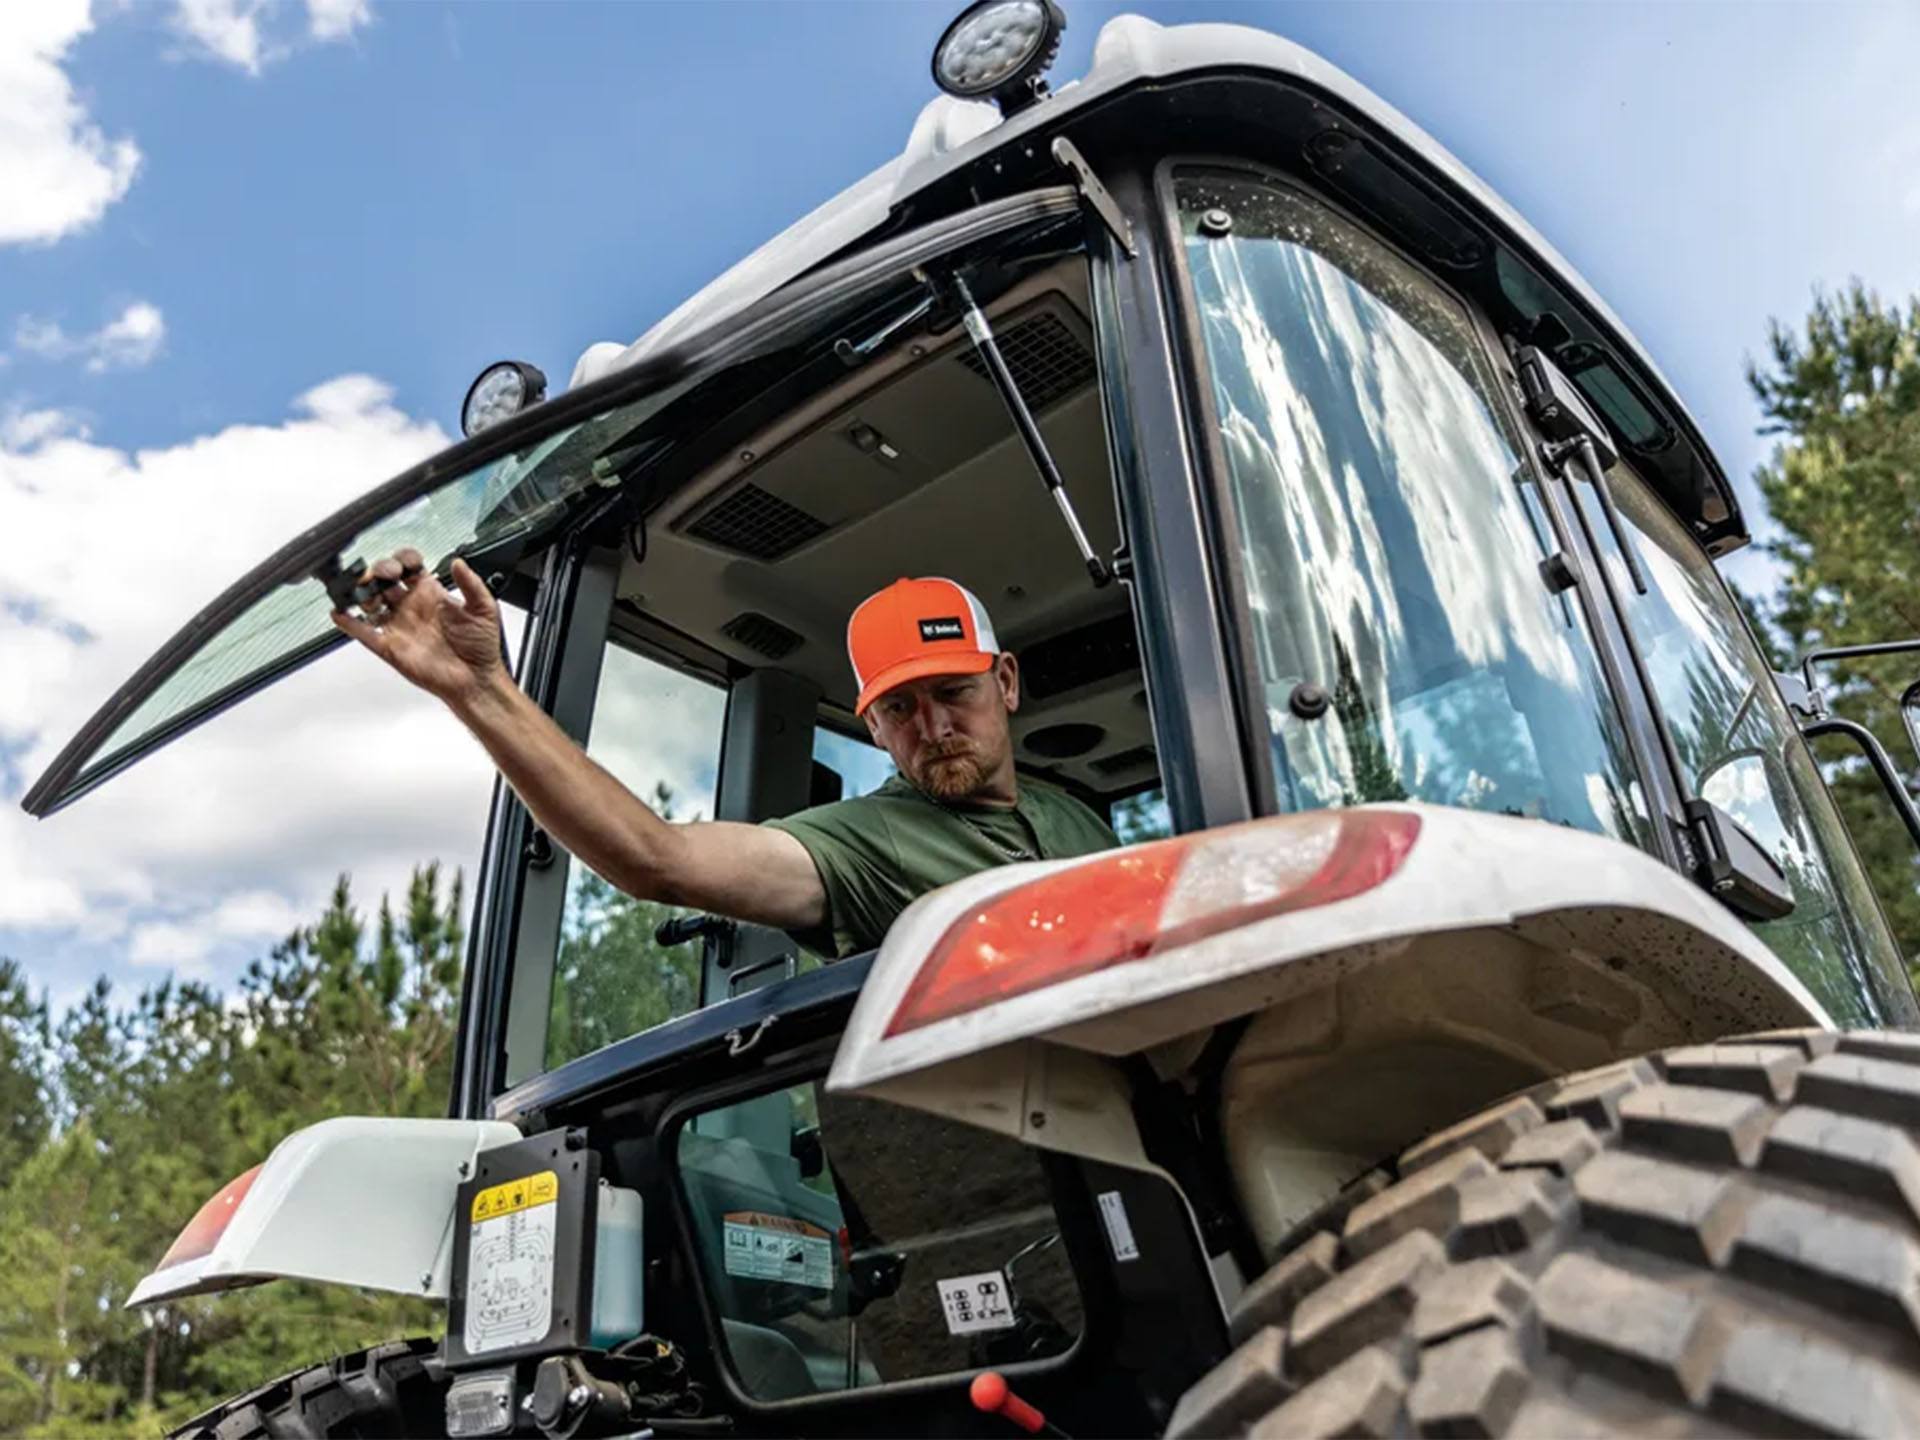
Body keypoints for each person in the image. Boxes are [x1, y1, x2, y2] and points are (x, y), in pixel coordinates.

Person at [334, 555, 1116, 956]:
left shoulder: (1081, 823)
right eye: (900, 708)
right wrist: (480, 690)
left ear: (1004, 681)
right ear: (872, 728)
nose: (933, 724)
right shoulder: (867, 845)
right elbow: (660, 861)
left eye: (955, 692)